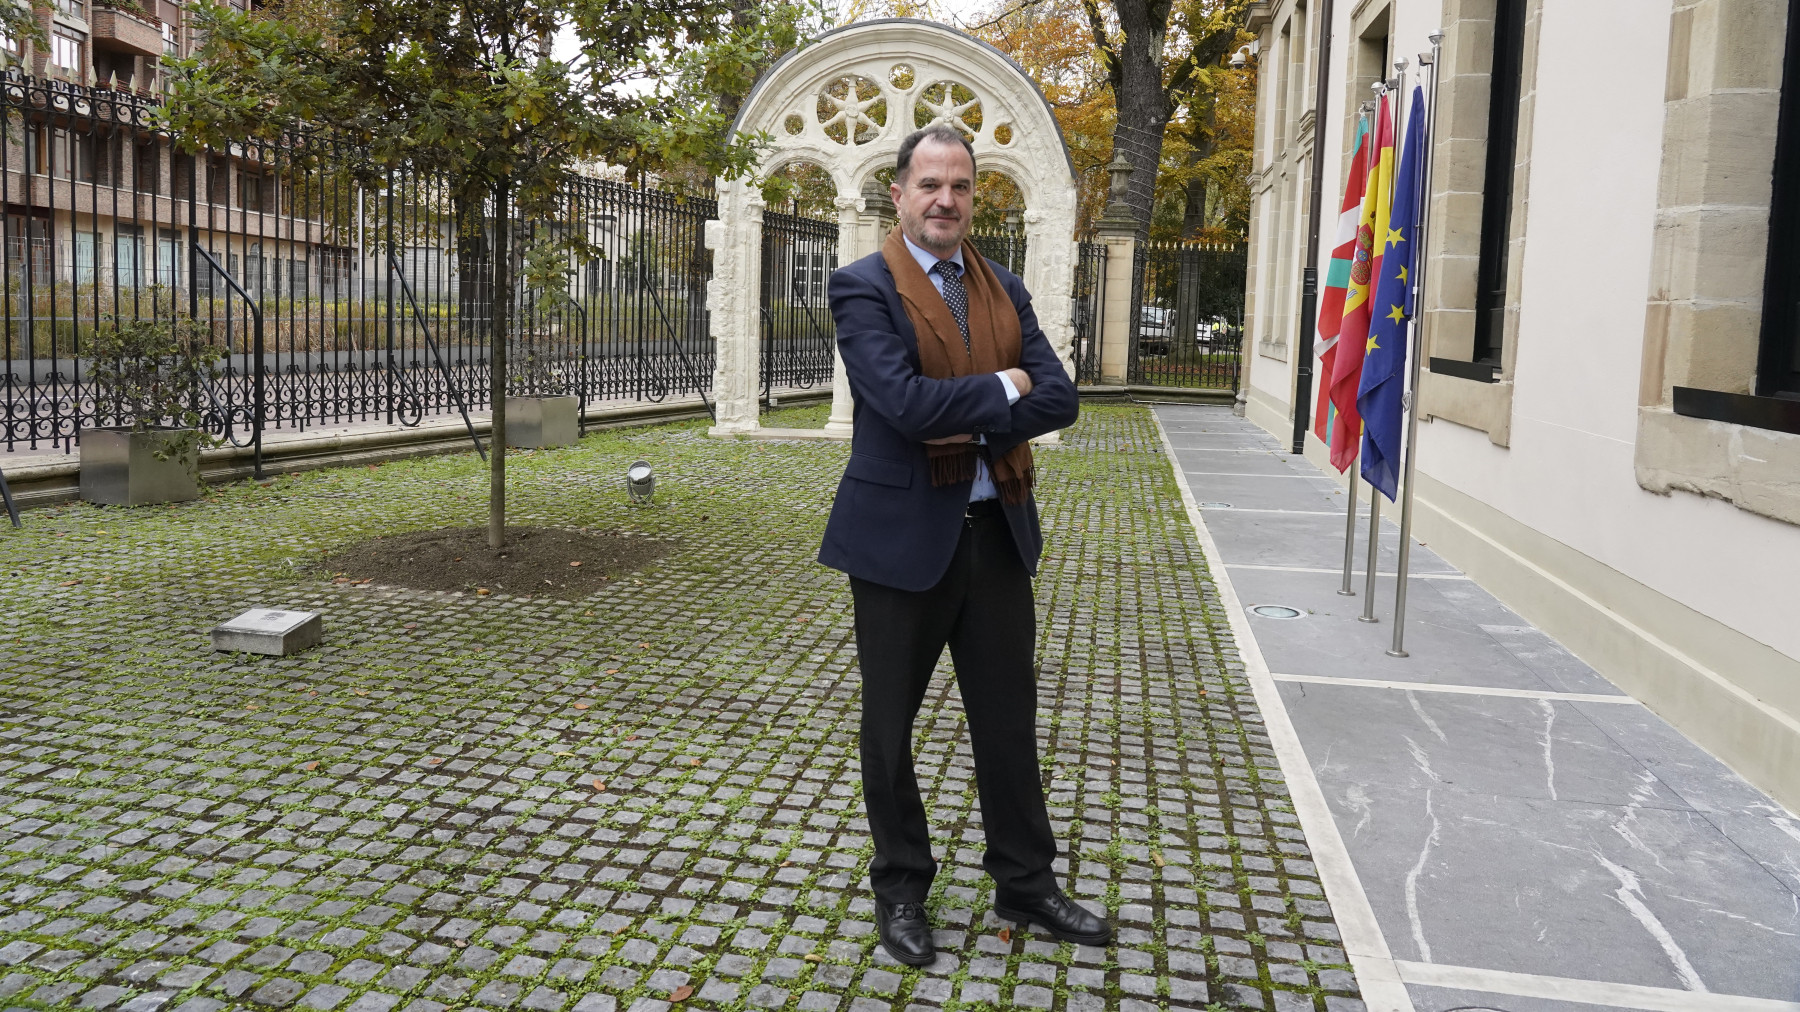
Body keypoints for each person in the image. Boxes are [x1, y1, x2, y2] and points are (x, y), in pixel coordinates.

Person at [819, 123, 1111, 966]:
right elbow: (902, 406)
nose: (946, 200)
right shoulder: (861, 288)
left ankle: (1026, 881)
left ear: (974, 197)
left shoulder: (1004, 287)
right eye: (929, 185)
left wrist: (978, 399)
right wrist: (1000, 386)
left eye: (961, 186)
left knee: (1007, 723)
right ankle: (901, 889)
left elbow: (1059, 399)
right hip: (900, 544)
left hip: (994, 533)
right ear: (900, 194)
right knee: (890, 727)